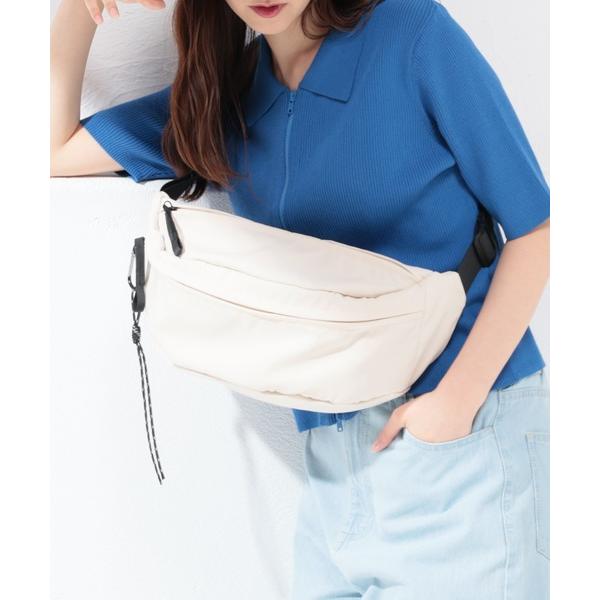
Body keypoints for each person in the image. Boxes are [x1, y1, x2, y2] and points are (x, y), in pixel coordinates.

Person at [50, 0, 550, 598]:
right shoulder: (224, 96)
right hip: (331, 472)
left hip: (460, 440)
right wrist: (76, 9)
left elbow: (537, 229)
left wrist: (454, 404)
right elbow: (50, 150)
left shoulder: (410, 32)